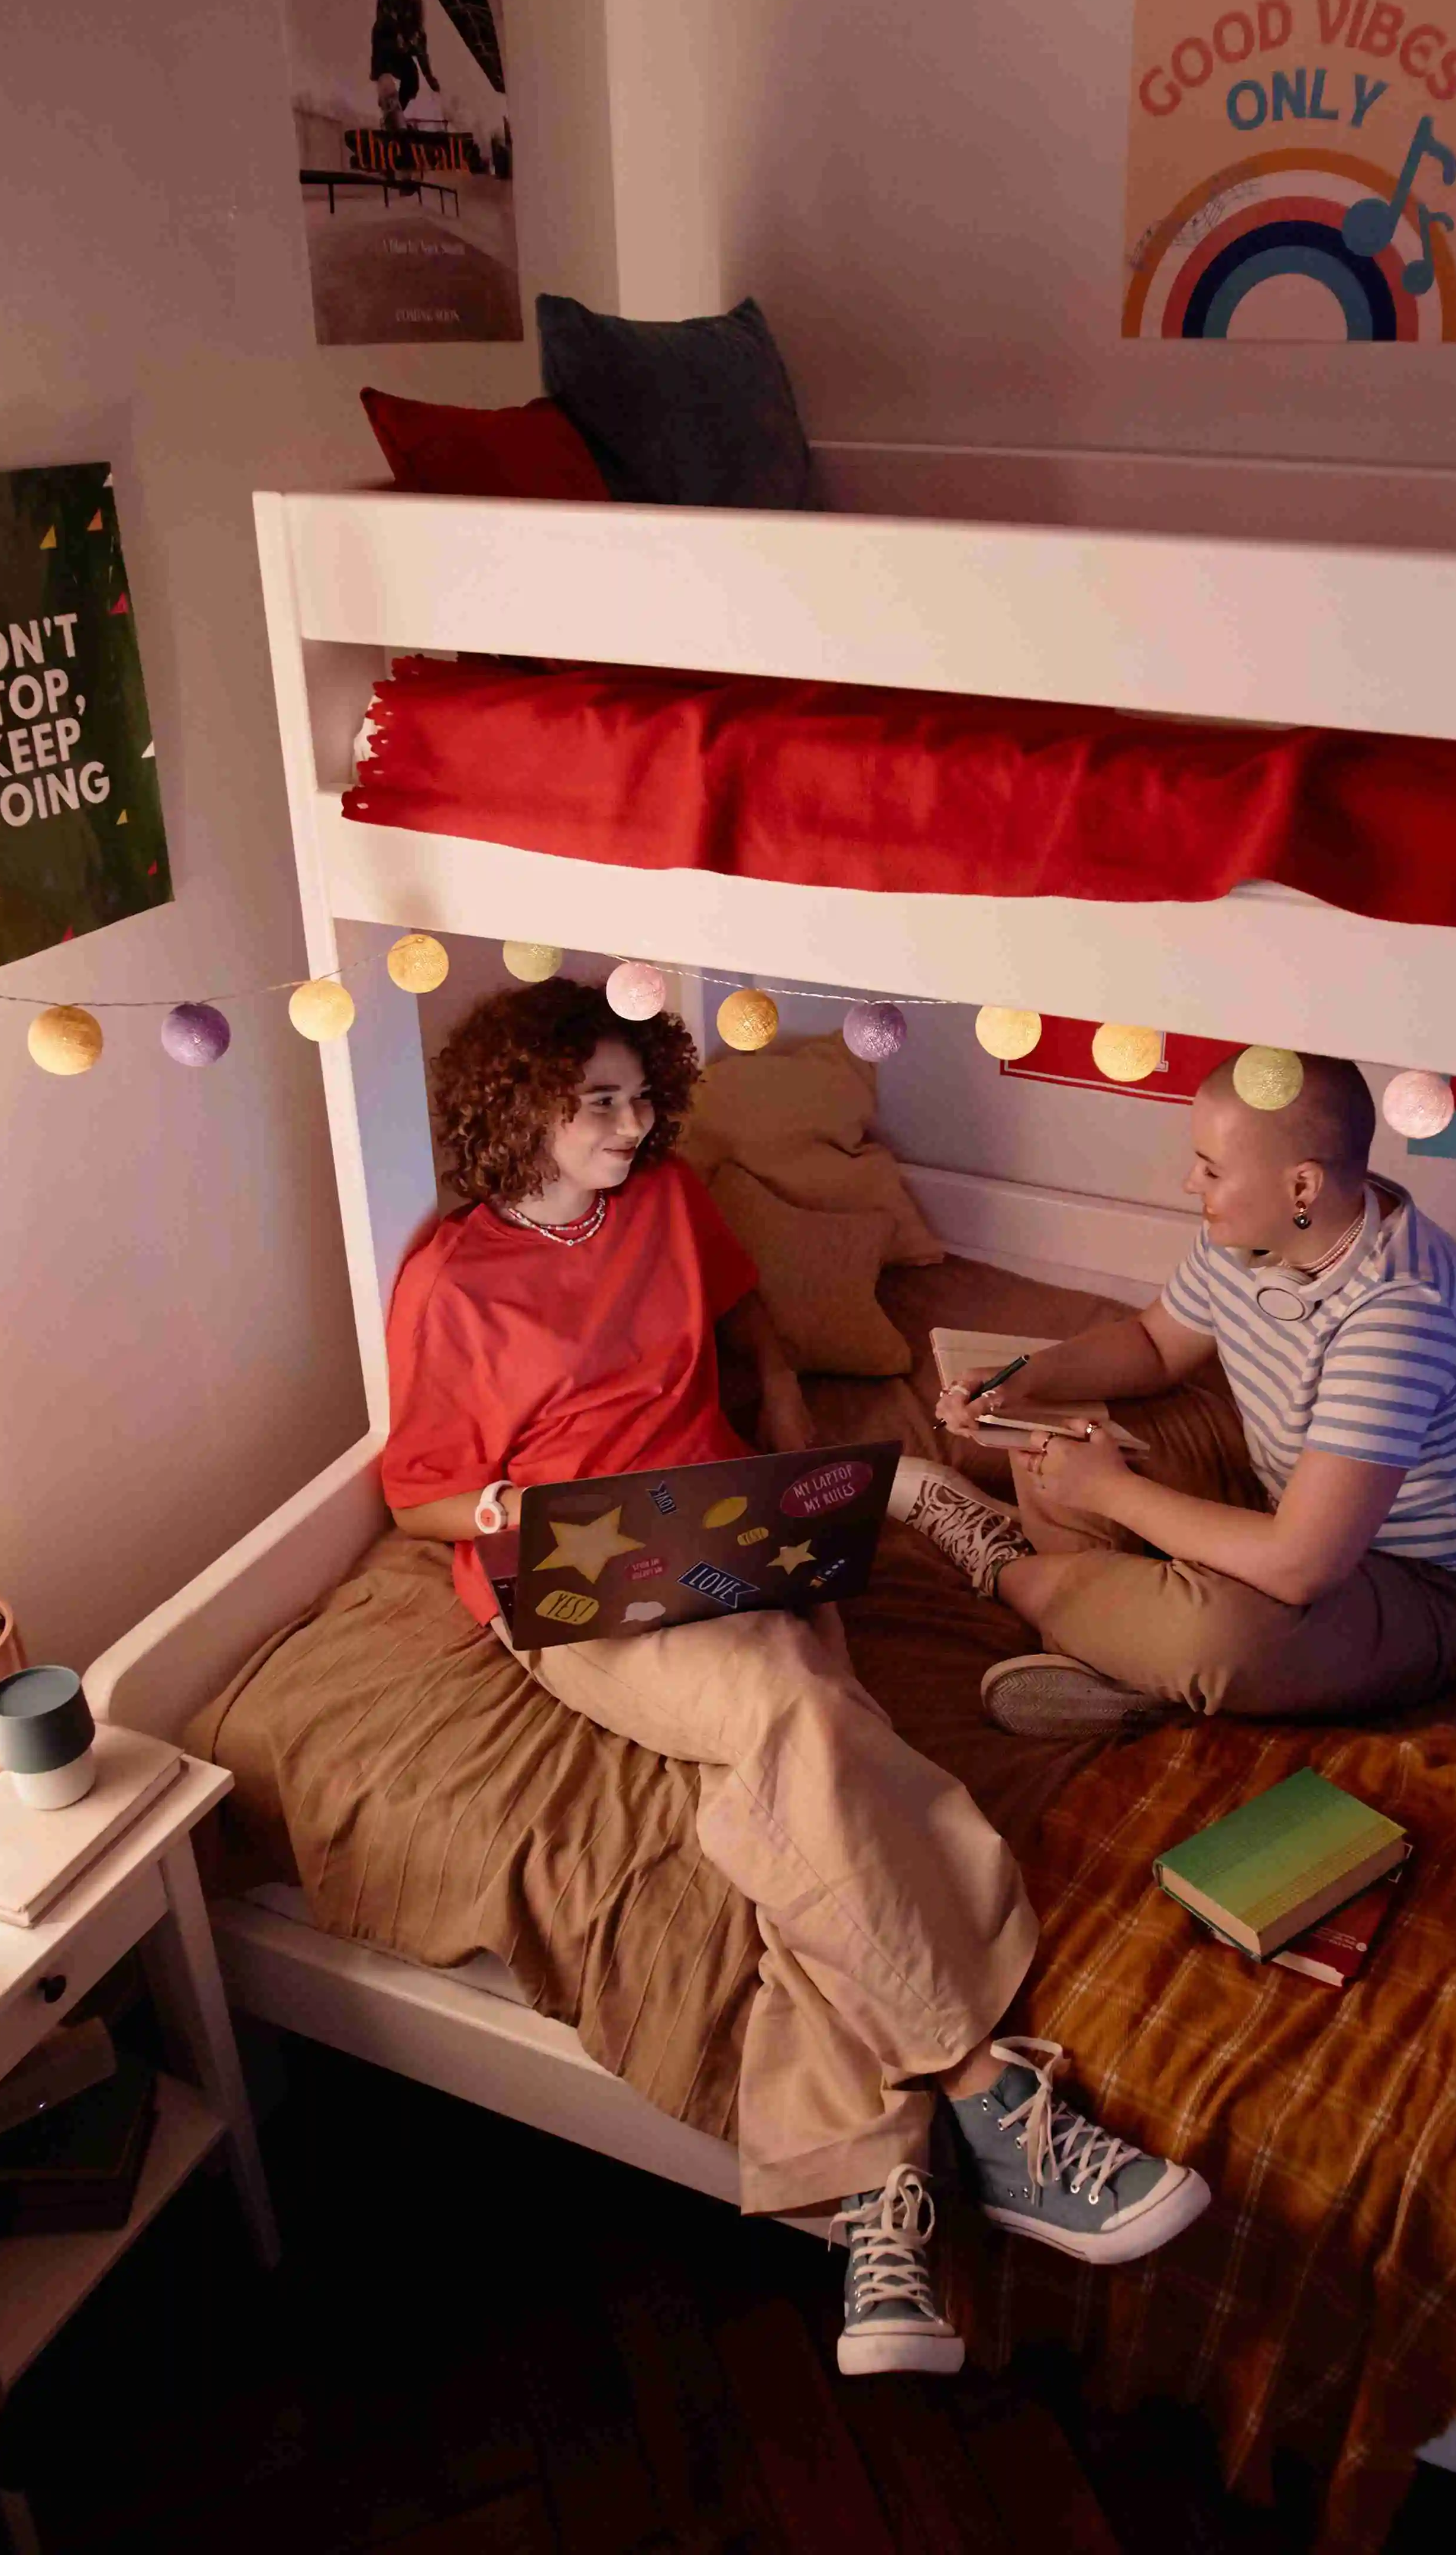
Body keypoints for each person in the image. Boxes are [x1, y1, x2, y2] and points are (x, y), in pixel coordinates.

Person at [378, 977, 1213, 2378]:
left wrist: (776, 1410)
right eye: (601, 1103)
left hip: (734, 1520)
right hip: (584, 1577)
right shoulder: (451, 1281)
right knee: (797, 1716)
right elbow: (415, 1494)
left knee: (802, 1767)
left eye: (644, 1097)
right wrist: (499, 1518)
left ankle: (881, 2205)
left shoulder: (662, 1201)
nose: (635, 1125)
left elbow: (749, 1316)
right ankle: (979, 2089)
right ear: (517, 1104)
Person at [891, 1052, 1456, 1736]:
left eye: (1212, 1168)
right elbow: (1154, 1345)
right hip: (1286, 1500)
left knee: (1221, 1639)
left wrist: (1109, 1491)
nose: (1188, 1181)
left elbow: (1301, 1566)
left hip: (1429, 1586)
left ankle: (1006, 1566)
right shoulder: (1255, 1233)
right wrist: (1024, 1375)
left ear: (1302, 1187)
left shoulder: (1400, 1315)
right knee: (1055, 1437)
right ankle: (1114, 1644)